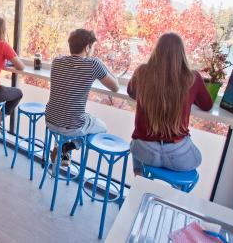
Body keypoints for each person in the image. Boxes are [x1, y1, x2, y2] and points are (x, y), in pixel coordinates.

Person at [127, 32, 213, 175]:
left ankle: (139, 179)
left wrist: (151, 94)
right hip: (178, 154)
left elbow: (131, 92)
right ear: (181, 53)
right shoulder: (192, 78)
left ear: (157, 50)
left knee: (136, 148)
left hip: (144, 150)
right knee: (197, 159)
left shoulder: (142, 72)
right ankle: (173, 195)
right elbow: (207, 105)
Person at [45, 29, 119, 166]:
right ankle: (67, 147)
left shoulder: (57, 61)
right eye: (92, 48)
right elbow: (115, 87)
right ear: (87, 47)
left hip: (50, 120)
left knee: (67, 114)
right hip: (72, 126)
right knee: (102, 127)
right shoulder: (93, 64)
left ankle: (62, 148)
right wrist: (100, 64)